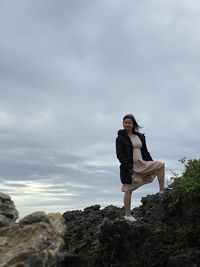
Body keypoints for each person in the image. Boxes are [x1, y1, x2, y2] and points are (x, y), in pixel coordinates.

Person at [115, 114, 165, 222]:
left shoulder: (140, 136)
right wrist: (129, 168)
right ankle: (127, 215)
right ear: (123, 123)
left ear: (133, 124)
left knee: (160, 165)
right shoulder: (120, 138)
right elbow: (120, 155)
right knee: (128, 189)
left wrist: (151, 163)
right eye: (125, 122)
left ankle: (162, 191)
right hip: (130, 166)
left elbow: (145, 152)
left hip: (142, 163)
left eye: (129, 123)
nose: (127, 124)